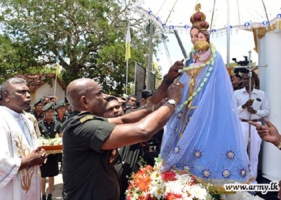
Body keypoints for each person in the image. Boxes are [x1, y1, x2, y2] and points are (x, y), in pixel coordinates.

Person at [160, 4, 253, 192]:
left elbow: (215, 85)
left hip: (206, 108)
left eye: (199, 36)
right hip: (186, 109)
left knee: (204, 144)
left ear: (207, 38)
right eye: (192, 37)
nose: (195, 40)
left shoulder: (214, 58)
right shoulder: (189, 59)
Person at [60, 61, 184, 200]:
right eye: (99, 93)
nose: (105, 96)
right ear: (85, 102)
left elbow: (124, 119)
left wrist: (166, 82)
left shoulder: (84, 121)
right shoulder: (83, 127)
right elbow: (143, 131)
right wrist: (172, 102)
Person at [0, 78, 48, 200]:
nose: (28, 95)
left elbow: (30, 152)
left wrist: (39, 156)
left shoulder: (26, 121)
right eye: (22, 92)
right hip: (5, 193)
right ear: (6, 96)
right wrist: (27, 161)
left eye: (28, 92)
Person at [234, 71, 270, 185]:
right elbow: (232, 110)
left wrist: (255, 111)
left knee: (254, 154)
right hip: (242, 124)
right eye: (243, 79)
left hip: (256, 125)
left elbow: (266, 110)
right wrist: (244, 106)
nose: (245, 81)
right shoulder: (237, 93)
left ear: (253, 80)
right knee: (241, 153)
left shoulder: (261, 94)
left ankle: (252, 181)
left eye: (248, 79)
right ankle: (239, 180)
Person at [38, 102, 63, 200]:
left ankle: (50, 195)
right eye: (47, 112)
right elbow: (38, 137)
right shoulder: (40, 124)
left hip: (54, 153)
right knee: (43, 175)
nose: (49, 114)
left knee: (52, 174)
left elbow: (60, 136)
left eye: (51, 112)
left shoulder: (57, 124)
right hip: (43, 154)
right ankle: (43, 195)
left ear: (54, 113)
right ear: (44, 113)